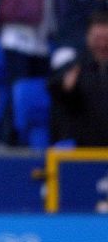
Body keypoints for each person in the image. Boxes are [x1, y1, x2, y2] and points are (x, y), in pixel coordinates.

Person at [48, 13, 108, 147]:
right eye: (98, 39)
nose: (103, 44)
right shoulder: (75, 66)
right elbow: (55, 87)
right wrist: (67, 88)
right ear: (88, 38)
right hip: (82, 147)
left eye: (106, 39)